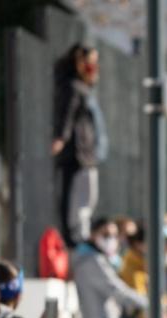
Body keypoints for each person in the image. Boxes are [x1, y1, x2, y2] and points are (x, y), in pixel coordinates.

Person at [52, 43, 108, 247]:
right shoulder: (72, 87)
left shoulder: (82, 88)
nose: (94, 69)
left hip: (85, 156)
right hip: (77, 155)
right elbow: (66, 115)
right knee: (76, 205)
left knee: (84, 203)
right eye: (91, 63)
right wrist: (61, 137)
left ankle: (78, 237)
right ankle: (75, 240)